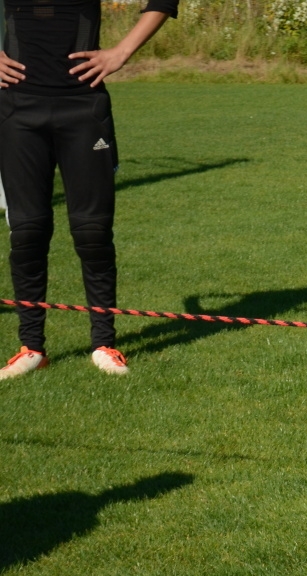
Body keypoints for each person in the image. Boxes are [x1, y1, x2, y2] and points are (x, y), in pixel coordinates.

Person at [0, 0, 178, 380]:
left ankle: (104, 343)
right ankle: (31, 348)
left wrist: (121, 52)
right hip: (17, 111)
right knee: (27, 230)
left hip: (83, 109)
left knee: (92, 231)